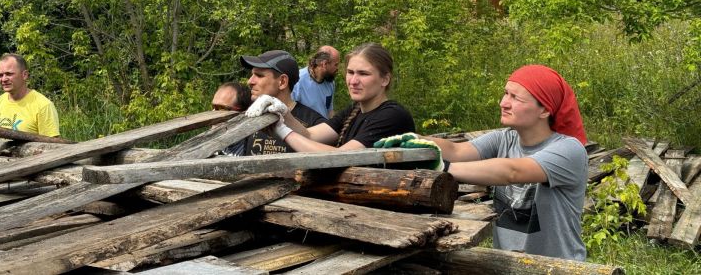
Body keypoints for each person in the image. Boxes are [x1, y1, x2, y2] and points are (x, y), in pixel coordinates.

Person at [375, 65, 588, 261]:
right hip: (509, 266)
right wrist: (418, 140)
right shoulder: (504, 138)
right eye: (506, 93)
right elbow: (457, 150)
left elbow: (512, 172)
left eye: (516, 98)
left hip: (558, 268)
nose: (503, 102)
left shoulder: (569, 150)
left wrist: (444, 168)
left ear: (545, 110)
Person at [247, 43, 415, 152]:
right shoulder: (354, 110)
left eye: (363, 74)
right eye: (350, 72)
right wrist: (283, 113)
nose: (354, 81)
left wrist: (282, 130)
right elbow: (309, 135)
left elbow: (339, 157)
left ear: (385, 79)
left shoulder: (392, 115)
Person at [225, 50, 327, 156]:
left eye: (259, 75)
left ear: (282, 82)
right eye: (252, 75)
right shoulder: (249, 115)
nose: (250, 81)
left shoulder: (314, 123)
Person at [0, 53, 60, 137]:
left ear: (24, 75)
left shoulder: (43, 106)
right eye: (0, 75)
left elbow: (53, 146)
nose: (4, 79)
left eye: (9, 74)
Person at [292, 45, 340, 118]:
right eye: (336, 64)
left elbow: (329, 110)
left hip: (324, 126)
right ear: (324, 64)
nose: (337, 68)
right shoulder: (297, 81)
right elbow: (289, 113)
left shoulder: (330, 82)